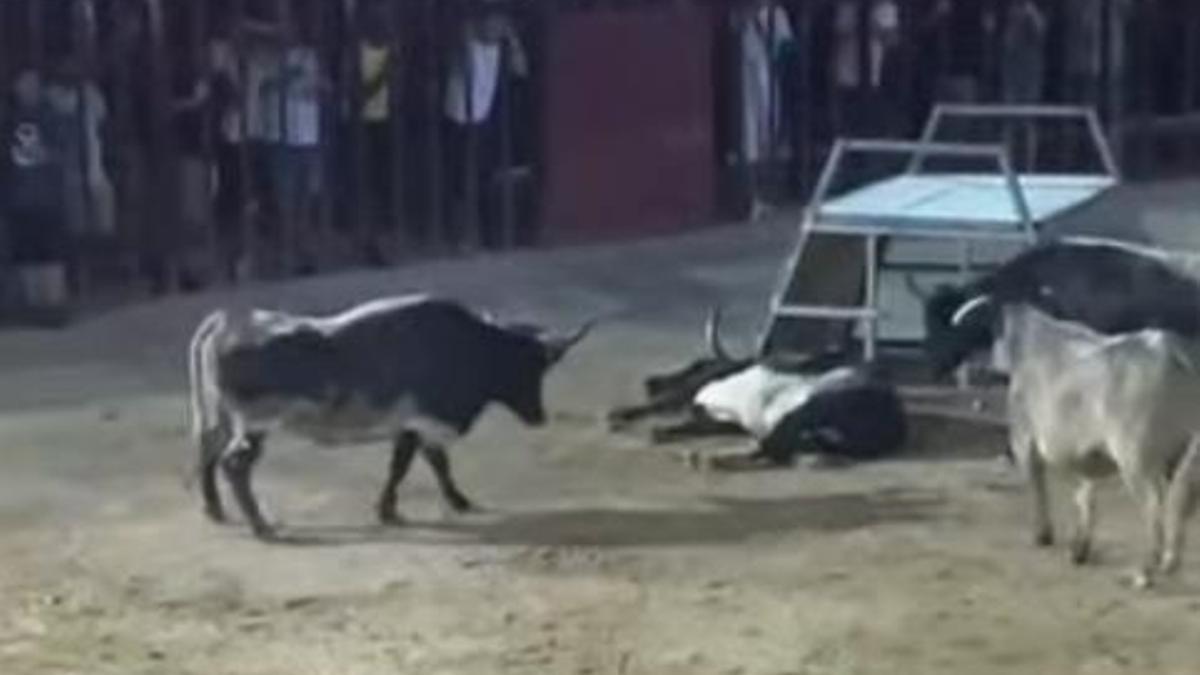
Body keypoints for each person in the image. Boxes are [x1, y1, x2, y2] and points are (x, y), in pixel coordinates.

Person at [442, 5, 528, 251]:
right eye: (494, 23)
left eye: (502, 25)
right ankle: (461, 235)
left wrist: (513, 40)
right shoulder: (467, 45)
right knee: (460, 180)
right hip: (460, 119)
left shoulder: (501, 49)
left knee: (482, 179)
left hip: (484, 119)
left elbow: (521, 69)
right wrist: (466, 37)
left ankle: (480, 234)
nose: (497, 29)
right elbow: (462, 66)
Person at [1, 70, 69, 324]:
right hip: (20, 196)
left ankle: (52, 307)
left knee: (48, 251)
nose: (25, 89)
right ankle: (33, 308)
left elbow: (61, 152)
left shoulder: (50, 116)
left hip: (45, 194)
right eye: (21, 84)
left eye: (30, 84)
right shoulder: (9, 119)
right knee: (26, 252)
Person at [735, 0, 794, 222]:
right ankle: (752, 198)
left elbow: (786, 48)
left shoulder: (773, 13)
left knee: (764, 136)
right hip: (750, 78)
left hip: (764, 77)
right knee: (752, 137)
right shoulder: (744, 14)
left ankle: (761, 195)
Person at [359, 0, 399, 264]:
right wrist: (387, 70)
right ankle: (369, 243)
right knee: (366, 187)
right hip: (362, 125)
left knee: (386, 187)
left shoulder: (392, 51)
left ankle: (384, 243)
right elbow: (360, 93)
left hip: (388, 123)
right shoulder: (358, 52)